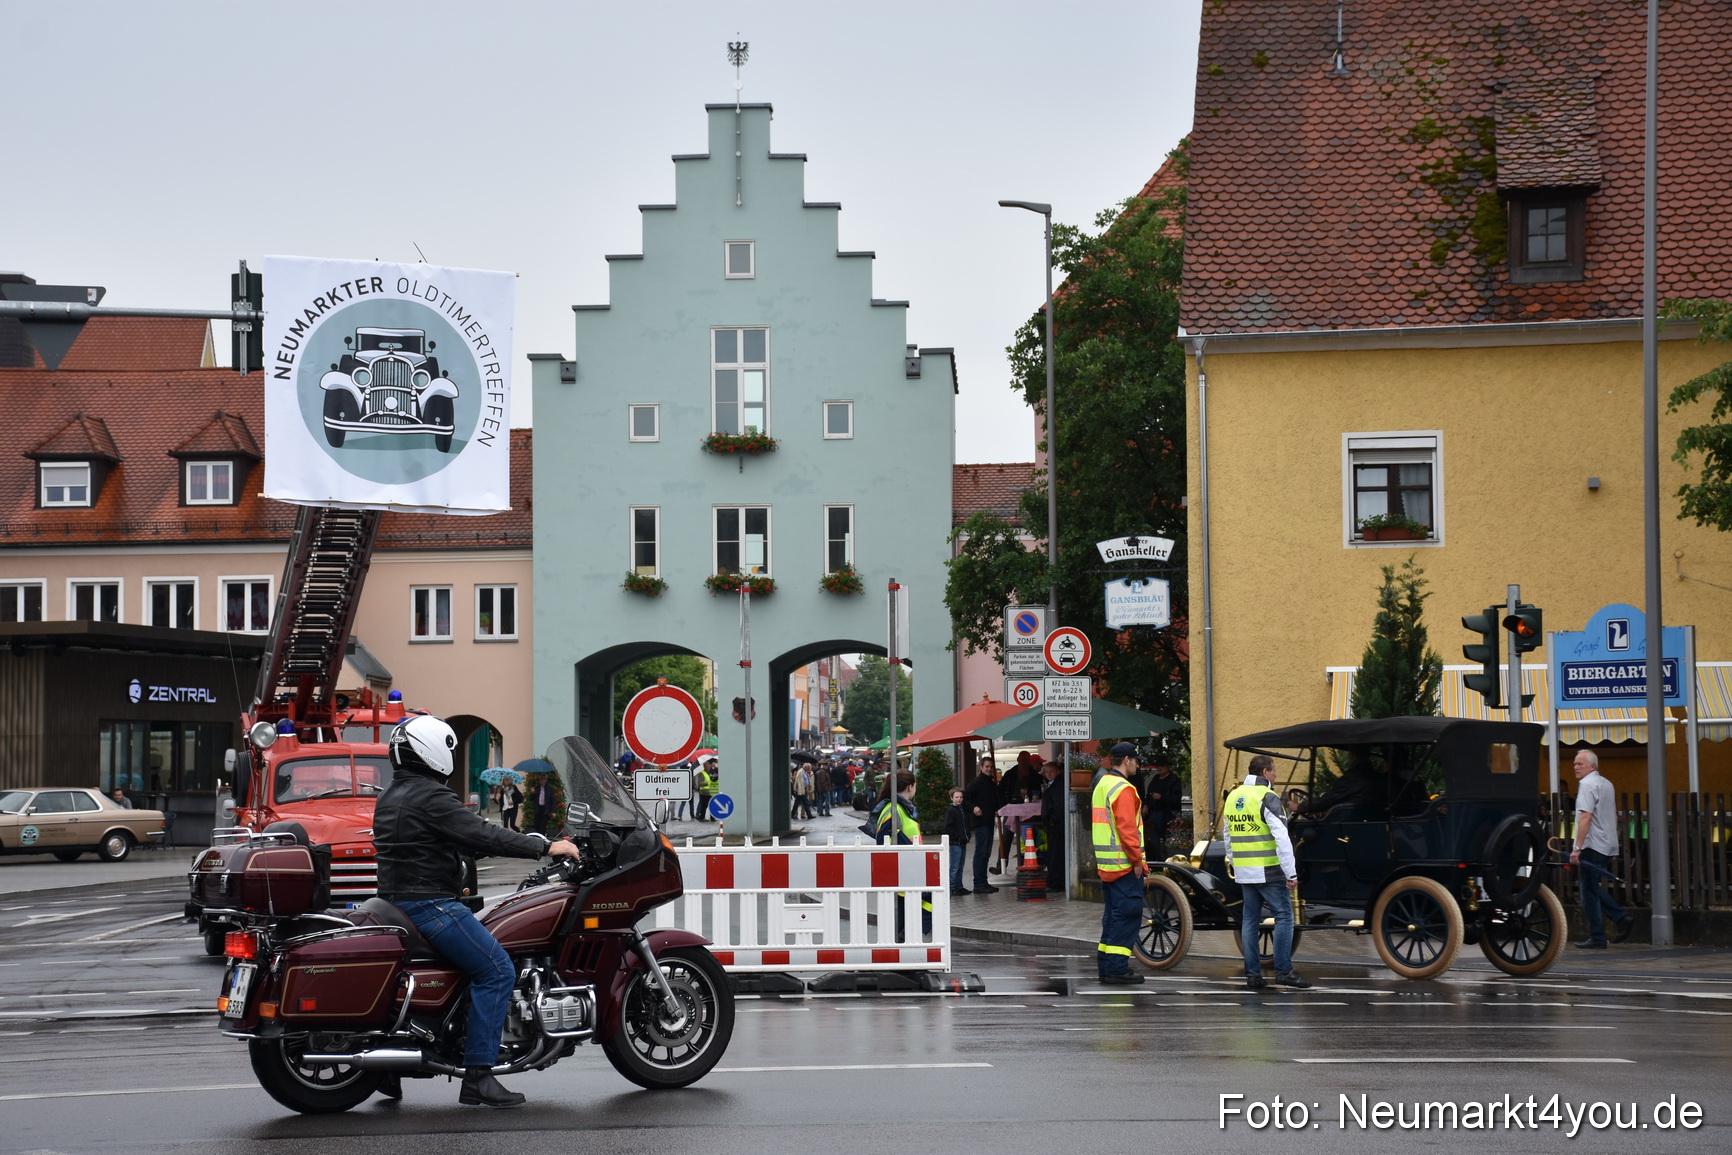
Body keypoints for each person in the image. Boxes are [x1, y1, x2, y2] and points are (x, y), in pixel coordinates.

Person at [373, 715, 580, 1108]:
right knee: (497, 969)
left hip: (395, 902)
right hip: (429, 904)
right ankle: (479, 1076)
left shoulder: (393, 794)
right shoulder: (431, 796)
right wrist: (546, 847)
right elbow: (482, 831)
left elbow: (438, 842)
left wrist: (481, 846)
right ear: (431, 752)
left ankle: (389, 1068)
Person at [1225, 754, 1309, 991]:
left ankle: (1253, 976)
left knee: (1250, 920)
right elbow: (1282, 837)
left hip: (1244, 870)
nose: (1276, 775)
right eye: (1273, 771)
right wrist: (1291, 873)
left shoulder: (1233, 796)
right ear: (1264, 773)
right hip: (1269, 869)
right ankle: (1284, 971)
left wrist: (1236, 862)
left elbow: (1228, 835)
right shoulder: (1268, 797)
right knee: (1284, 916)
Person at [1092, 742, 1147, 984]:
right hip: (1124, 865)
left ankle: (1106, 967)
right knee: (1127, 916)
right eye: (1136, 760)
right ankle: (1117, 969)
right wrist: (1137, 861)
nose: (1138, 763)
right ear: (1126, 759)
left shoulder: (1102, 784)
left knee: (1113, 917)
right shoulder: (1123, 788)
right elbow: (1127, 830)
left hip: (1108, 866)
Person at [1570, 750, 1633, 948]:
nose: (1576, 767)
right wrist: (1612, 846)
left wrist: (1577, 848)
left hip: (1592, 844)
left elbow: (1586, 817)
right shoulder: (1606, 784)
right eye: (1575, 764)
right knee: (1591, 887)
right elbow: (1608, 815)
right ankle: (1608, 928)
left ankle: (1609, 927)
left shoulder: (1587, 785)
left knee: (1588, 890)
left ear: (1592, 766)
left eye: (1580, 764)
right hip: (1606, 843)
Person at [873, 769, 931, 935]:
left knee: (906, 920)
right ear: (910, 786)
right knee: (902, 922)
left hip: (907, 874)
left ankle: (906, 940)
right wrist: (912, 851)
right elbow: (885, 839)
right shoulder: (895, 809)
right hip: (903, 875)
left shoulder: (900, 808)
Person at [964, 762, 1000, 894]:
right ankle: (979, 883)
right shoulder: (976, 782)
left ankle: (983, 882)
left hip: (989, 821)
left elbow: (993, 800)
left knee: (986, 853)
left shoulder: (991, 783)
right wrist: (973, 808)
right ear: (981, 767)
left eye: (991, 767)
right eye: (987, 766)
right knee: (981, 853)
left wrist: (997, 809)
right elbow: (965, 798)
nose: (989, 769)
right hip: (981, 822)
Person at [1142, 755, 1183, 862]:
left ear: (1168, 767)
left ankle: (1167, 861)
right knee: (1153, 839)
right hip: (1154, 813)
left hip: (1167, 815)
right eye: (1158, 766)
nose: (1160, 768)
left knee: (1167, 840)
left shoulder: (1173, 780)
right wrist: (1146, 805)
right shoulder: (1155, 779)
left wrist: (1161, 797)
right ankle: (1157, 861)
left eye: (1162, 766)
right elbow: (1149, 794)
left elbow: (1176, 798)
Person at [1038, 759, 1065, 894]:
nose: (1048, 774)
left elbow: (1059, 806)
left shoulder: (1058, 785)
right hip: (1055, 825)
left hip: (1057, 826)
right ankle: (1056, 881)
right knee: (1055, 854)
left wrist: (1051, 821)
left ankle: (1055, 882)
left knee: (1056, 855)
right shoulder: (1052, 784)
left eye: (1051, 772)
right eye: (1046, 772)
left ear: (1057, 771)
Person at [943, 787, 970, 896]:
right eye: (956, 797)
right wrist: (956, 837)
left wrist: (967, 835)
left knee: (960, 866)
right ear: (951, 798)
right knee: (954, 867)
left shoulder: (961, 810)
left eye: (961, 797)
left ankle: (959, 886)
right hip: (956, 843)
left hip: (962, 842)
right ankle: (952, 887)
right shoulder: (951, 811)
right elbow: (948, 827)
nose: (959, 799)